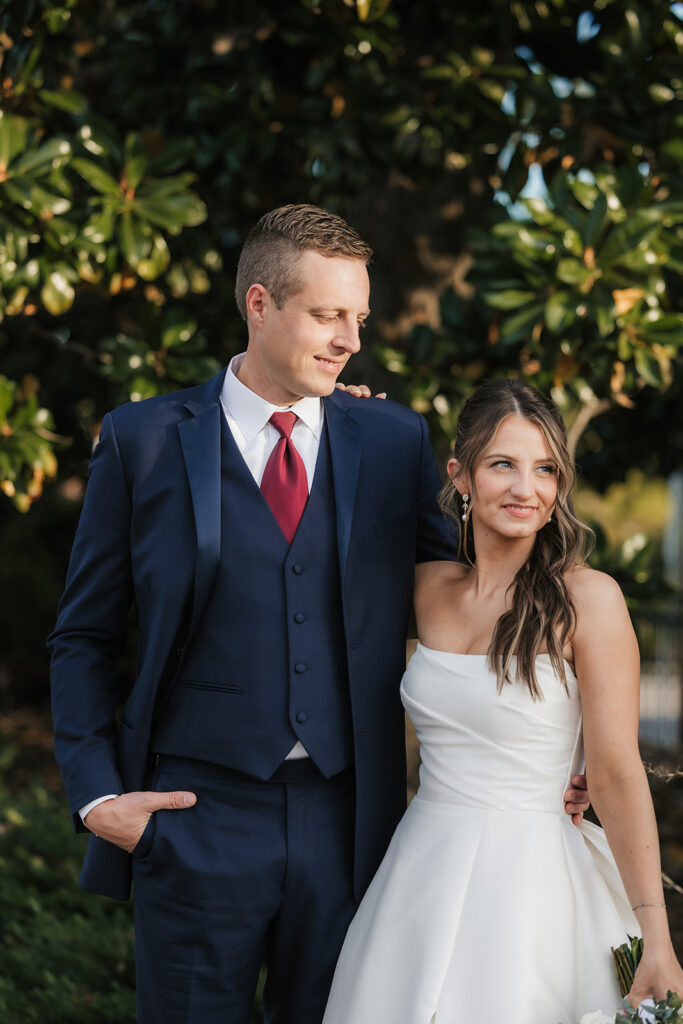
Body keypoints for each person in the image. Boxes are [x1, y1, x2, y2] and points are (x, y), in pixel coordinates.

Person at [47, 206, 587, 1024]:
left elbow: (485, 589)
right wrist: (98, 799)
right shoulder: (143, 441)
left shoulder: (390, 438)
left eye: (358, 318)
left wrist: (549, 756)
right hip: (195, 821)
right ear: (259, 304)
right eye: (328, 315)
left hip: (352, 829)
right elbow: (82, 636)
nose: (349, 340)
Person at [322, 378, 683, 1024]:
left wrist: (653, 932)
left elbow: (615, 771)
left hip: (532, 884)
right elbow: (322, 543)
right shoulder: (424, 589)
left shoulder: (588, 600)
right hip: (418, 872)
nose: (526, 488)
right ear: (460, 476)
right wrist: (343, 419)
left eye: (545, 469)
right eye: (502, 465)